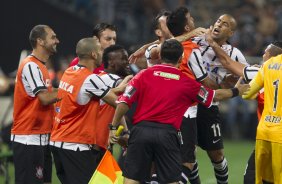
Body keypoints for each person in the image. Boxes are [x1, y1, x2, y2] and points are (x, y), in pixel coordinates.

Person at [109, 39, 249, 184]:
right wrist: (237, 91)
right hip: (167, 135)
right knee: (171, 180)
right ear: (182, 58)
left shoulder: (143, 75)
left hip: (140, 132)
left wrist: (113, 127)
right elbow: (214, 96)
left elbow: (123, 102)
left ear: (161, 55)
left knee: (132, 180)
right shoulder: (186, 83)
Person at [206, 34, 282, 183]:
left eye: (266, 52)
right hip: (276, 134)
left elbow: (229, 64)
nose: (263, 54)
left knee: (255, 178)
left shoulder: (263, 69)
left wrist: (213, 45)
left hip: (265, 132)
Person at [50, 37, 124, 184]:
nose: (103, 53)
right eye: (101, 50)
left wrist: (118, 89)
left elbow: (87, 93)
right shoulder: (90, 79)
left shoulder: (69, 72)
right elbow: (118, 103)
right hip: (75, 146)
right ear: (94, 54)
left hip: (58, 143)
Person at [190, 14, 249, 184]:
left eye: (224, 25)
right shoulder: (196, 41)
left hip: (210, 105)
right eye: (218, 21)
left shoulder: (234, 53)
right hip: (188, 104)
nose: (218, 25)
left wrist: (228, 84)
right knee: (189, 152)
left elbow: (244, 74)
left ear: (230, 33)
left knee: (216, 154)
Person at [166, 7, 220, 184]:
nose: (194, 21)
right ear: (187, 28)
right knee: (187, 161)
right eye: (190, 19)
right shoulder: (191, 50)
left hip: (165, 111)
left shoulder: (164, 50)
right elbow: (205, 82)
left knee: (168, 160)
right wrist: (225, 84)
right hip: (186, 112)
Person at [11, 25, 59, 184]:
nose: (57, 40)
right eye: (52, 37)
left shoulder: (41, 66)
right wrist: (71, 90)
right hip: (28, 139)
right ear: (40, 41)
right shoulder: (30, 65)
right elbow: (44, 98)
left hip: (41, 137)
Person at [242, 53, 282, 184]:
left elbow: (246, 95)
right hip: (280, 133)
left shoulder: (268, 64)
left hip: (264, 130)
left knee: (260, 179)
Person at [96, 44, 131, 150]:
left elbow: (117, 107)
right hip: (98, 143)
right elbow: (122, 105)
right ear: (111, 62)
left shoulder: (99, 77)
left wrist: (125, 132)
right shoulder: (115, 80)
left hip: (95, 142)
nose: (128, 62)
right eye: (123, 59)